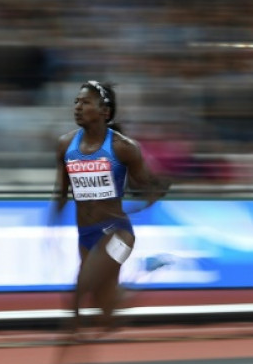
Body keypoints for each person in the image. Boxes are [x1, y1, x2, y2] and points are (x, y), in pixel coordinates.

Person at [53, 81, 169, 336]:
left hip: (118, 234)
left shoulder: (123, 147)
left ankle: (70, 339)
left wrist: (153, 192)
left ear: (104, 111)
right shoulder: (65, 145)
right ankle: (145, 272)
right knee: (107, 315)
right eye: (76, 102)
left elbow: (146, 185)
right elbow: (60, 192)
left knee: (82, 287)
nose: (77, 107)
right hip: (86, 234)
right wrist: (51, 225)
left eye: (85, 102)